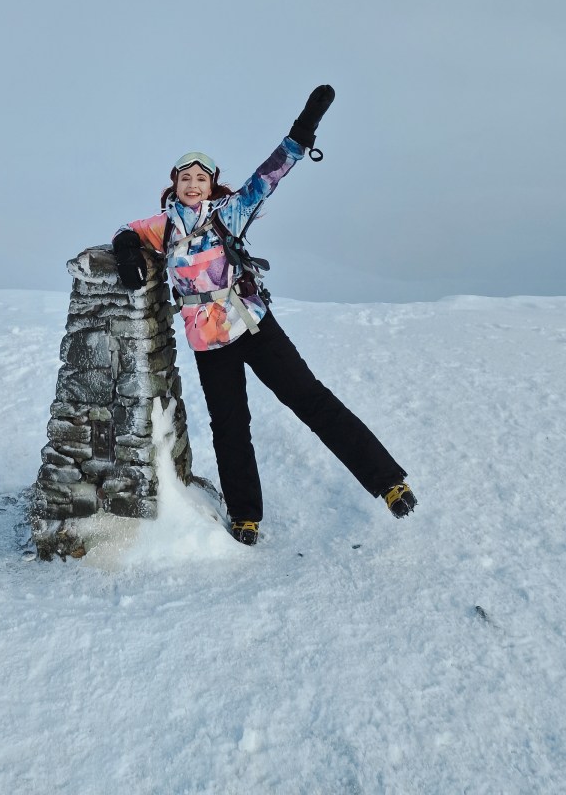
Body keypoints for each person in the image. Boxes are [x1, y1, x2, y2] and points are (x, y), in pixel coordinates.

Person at [112, 85, 416, 546]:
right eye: (185, 178)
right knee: (230, 426)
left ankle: (389, 482)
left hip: (251, 325)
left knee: (311, 400)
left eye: (202, 178)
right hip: (207, 343)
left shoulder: (228, 214)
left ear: (212, 185)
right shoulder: (165, 225)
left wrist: (302, 130)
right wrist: (125, 247)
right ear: (173, 184)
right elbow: (126, 231)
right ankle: (246, 516)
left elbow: (268, 176)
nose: (193, 185)